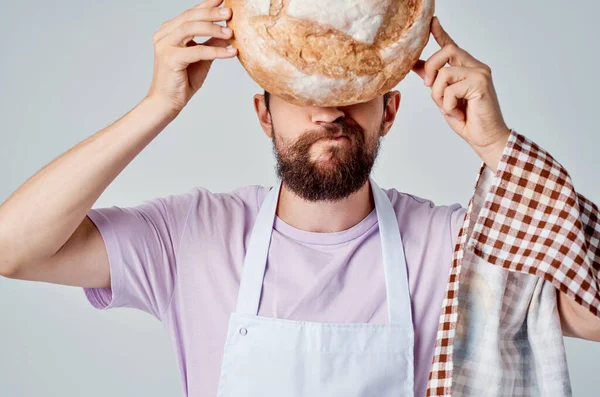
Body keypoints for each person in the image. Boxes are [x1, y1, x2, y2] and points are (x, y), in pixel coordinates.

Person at [0, 1, 598, 396]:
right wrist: (159, 105)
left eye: (354, 94)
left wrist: (496, 144)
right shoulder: (193, 236)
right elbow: (13, 248)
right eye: (303, 92)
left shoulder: (451, 245)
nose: (328, 111)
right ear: (263, 113)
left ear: (389, 109)